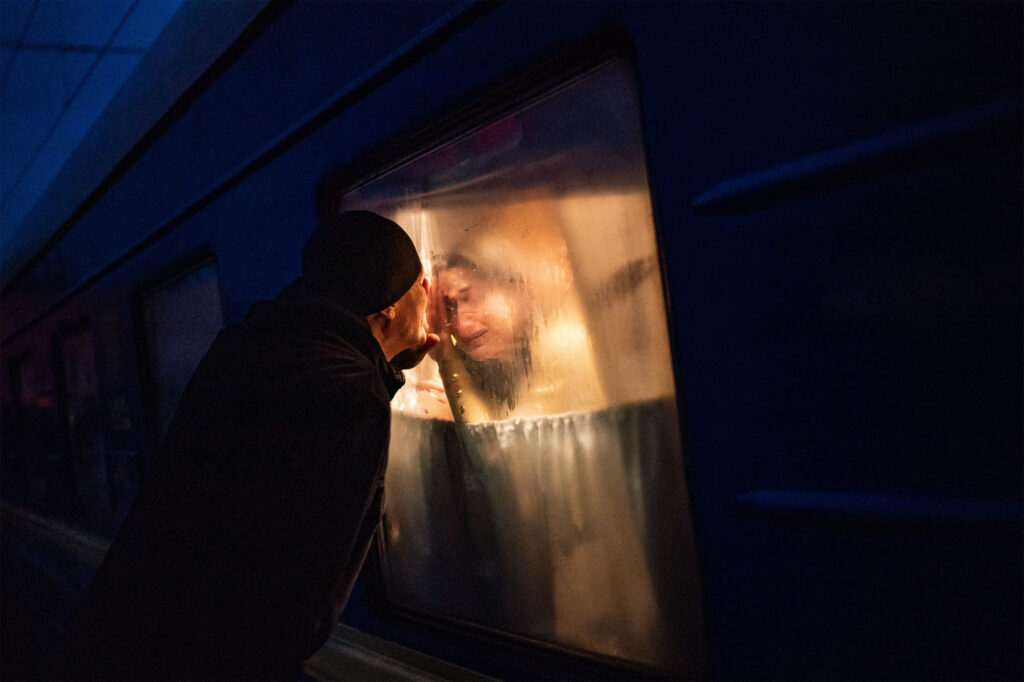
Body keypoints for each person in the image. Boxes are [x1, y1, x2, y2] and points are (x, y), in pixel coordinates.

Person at [63, 211, 438, 681]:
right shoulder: (352, 397)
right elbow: (302, 610)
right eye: (419, 283)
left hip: (123, 631)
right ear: (388, 308)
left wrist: (385, 364)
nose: (429, 293)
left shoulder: (243, 346)